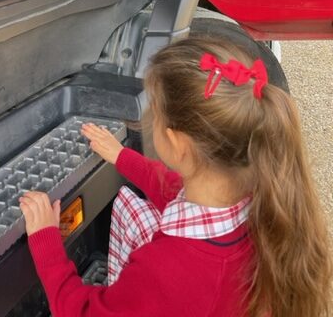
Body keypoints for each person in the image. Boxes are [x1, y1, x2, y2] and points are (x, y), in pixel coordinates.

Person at [20, 36, 332, 317]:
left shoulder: (169, 269)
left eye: (154, 113)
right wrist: (120, 156)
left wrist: (46, 241)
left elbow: (83, 311)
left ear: (177, 143)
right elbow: (172, 188)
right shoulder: (257, 205)